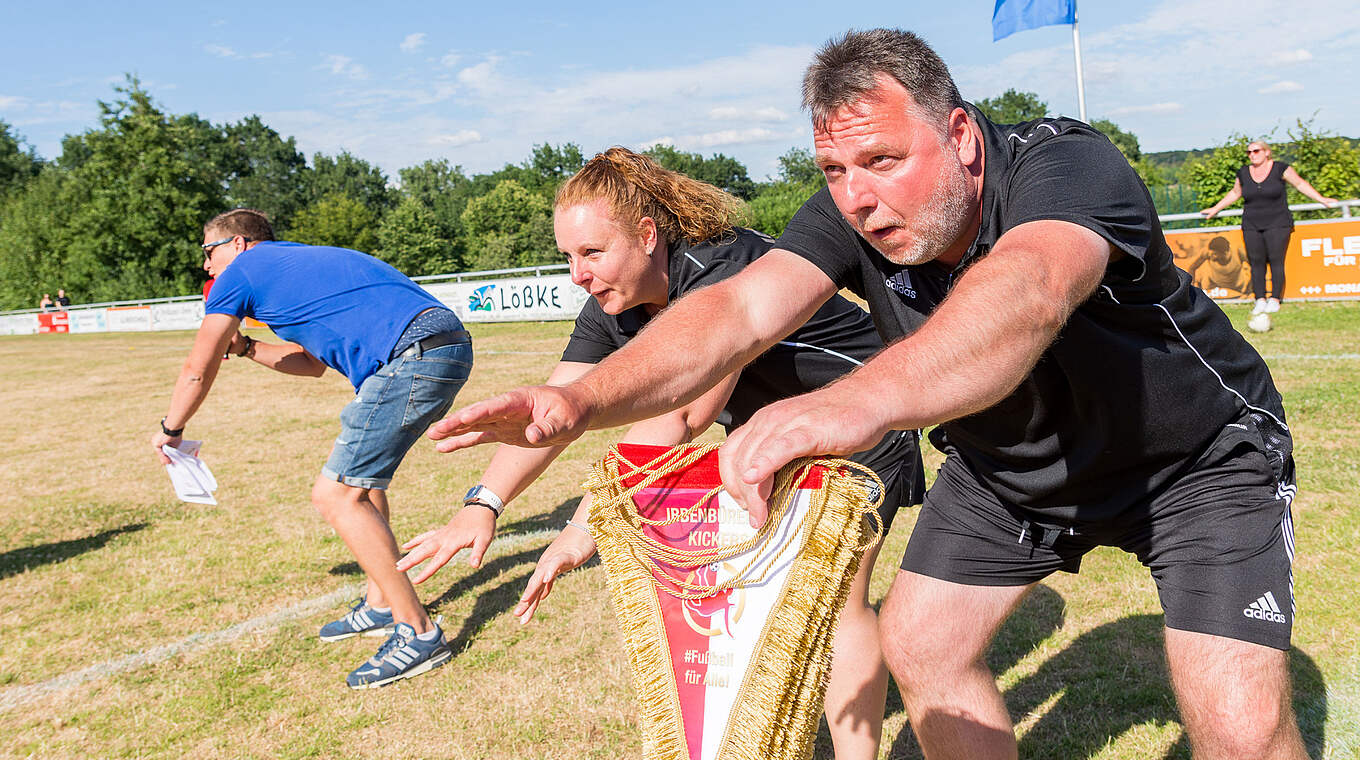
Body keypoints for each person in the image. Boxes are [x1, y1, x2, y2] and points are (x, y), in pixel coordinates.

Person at [432, 29, 1306, 760]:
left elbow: (1028, 291)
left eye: (883, 159)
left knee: (1238, 723)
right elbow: (738, 308)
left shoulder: (1065, 165)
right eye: (836, 168)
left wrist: (847, 404)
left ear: (961, 134)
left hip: (1191, 463)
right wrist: (581, 401)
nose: (857, 197)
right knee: (922, 644)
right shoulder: (843, 208)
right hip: (1010, 470)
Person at [403, 147, 923, 760]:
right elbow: (555, 409)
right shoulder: (612, 303)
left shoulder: (721, 267)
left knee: (835, 599)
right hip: (768, 438)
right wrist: (482, 503)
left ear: (647, 235)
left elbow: (682, 415)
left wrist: (586, 524)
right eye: (568, 257)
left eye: (592, 253)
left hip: (854, 421)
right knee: (767, 601)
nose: (577, 275)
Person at [148, 208, 472, 689]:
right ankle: (382, 602)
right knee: (361, 484)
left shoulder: (240, 273)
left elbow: (197, 366)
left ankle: (418, 633)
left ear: (237, 244)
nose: (206, 266)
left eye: (207, 252)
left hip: (412, 357)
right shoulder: (294, 268)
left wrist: (171, 428)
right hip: (441, 345)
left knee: (335, 494)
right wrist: (245, 348)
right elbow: (311, 364)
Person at [1201, 139, 1338, 314]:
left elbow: (1300, 184)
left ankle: (1275, 299)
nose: (1252, 155)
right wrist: (1215, 209)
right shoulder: (1243, 172)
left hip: (1278, 222)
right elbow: (1235, 193)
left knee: (1275, 260)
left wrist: (1322, 199)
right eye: (1249, 152)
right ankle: (1259, 299)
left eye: (1256, 151)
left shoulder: (1281, 168)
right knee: (1256, 262)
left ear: (1267, 152)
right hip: (1251, 223)